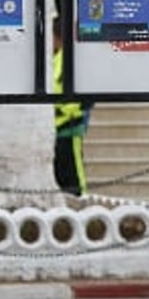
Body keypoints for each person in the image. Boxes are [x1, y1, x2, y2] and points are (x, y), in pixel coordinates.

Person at [53, 30, 91, 196]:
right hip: (56, 128)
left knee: (74, 179)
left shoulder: (70, 59)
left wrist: (61, 109)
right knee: (63, 177)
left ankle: (83, 209)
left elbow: (81, 96)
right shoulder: (56, 58)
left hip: (68, 126)